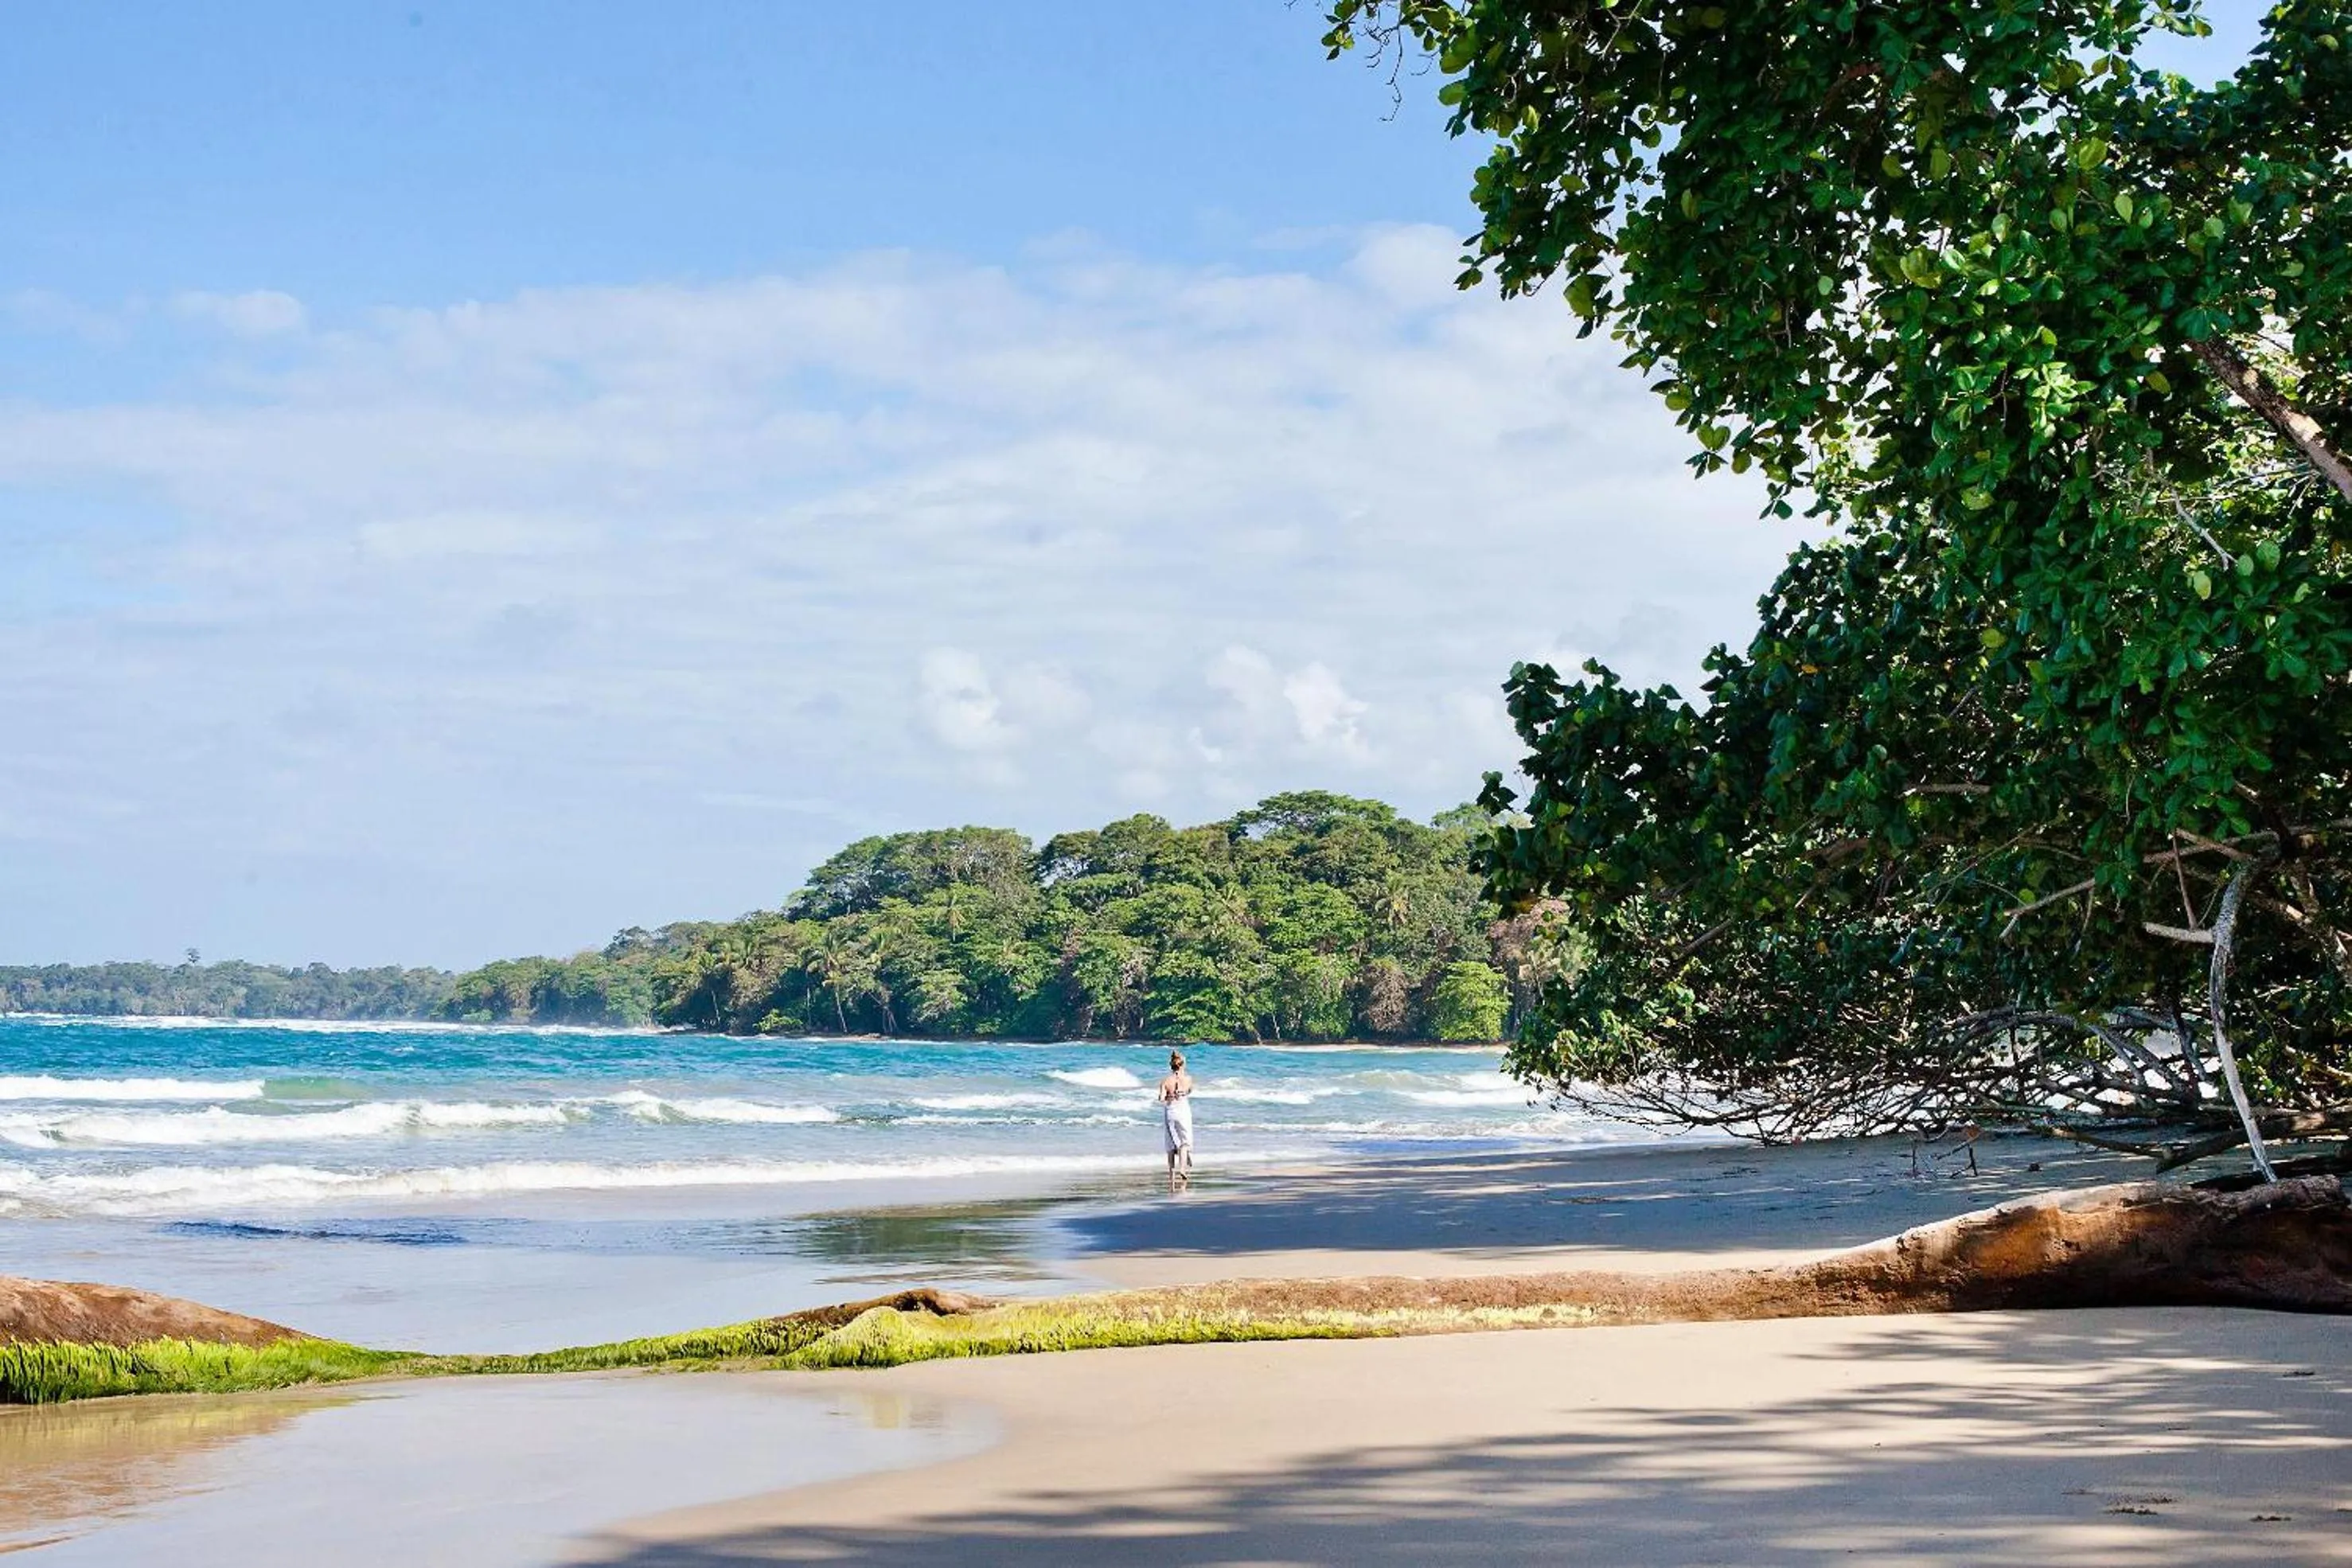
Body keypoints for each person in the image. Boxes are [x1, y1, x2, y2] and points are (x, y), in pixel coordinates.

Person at [1157, 1049, 1195, 1184]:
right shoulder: (1188, 1079)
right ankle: (1183, 1169)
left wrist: (1169, 1095)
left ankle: (1172, 1174)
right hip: (1183, 1110)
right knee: (1184, 1142)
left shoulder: (1165, 1081)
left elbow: (1161, 1098)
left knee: (1171, 1144)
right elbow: (1189, 1091)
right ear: (1182, 1064)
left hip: (1171, 1111)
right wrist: (1182, 1092)